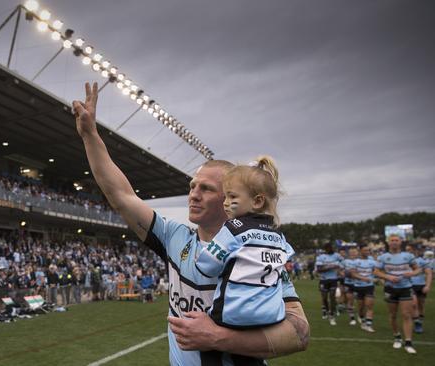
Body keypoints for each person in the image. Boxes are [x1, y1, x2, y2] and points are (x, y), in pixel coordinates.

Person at [72, 82, 309, 365]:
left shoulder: (256, 250)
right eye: (192, 186)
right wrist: (90, 136)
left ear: (230, 199)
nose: (193, 195)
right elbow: (121, 195)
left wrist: (218, 338)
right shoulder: (174, 237)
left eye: (206, 189)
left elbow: (299, 333)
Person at [195, 157, 294, 331]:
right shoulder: (278, 235)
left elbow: (206, 266)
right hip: (272, 315)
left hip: (233, 315)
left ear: (257, 201)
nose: (225, 202)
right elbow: (286, 261)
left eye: (232, 196)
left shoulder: (234, 228)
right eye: (225, 196)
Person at [374, 235, 421, 354]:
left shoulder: (408, 256)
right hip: (390, 289)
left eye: (396, 240)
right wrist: (387, 276)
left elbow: (418, 269)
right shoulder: (383, 257)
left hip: (406, 288)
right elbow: (376, 271)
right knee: (393, 315)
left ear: (400, 242)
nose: (394, 242)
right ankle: (397, 337)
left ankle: (408, 342)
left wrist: (411, 274)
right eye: (392, 241)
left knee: (406, 315)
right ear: (388, 243)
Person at [350, 245, 378, 332]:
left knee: (369, 305)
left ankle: (368, 324)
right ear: (360, 251)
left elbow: (377, 271)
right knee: (361, 307)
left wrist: (377, 277)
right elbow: (353, 274)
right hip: (358, 286)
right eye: (365, 250)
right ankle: (361, 317)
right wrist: (363, 278)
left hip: (369, 286)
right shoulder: (355, 262)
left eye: (368, 250)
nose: (367, 252)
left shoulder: (372, 262)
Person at [406, 244, 432, 334]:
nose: (408, 251)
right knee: (414, 304)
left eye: (409, 249)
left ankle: (419, 322)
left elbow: (429, 273)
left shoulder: (422, 261)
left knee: (421, 305)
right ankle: (417, 323)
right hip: (409, 285)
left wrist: (427, 285)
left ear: (414, 250)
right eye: (407, 250)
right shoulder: (404, 260)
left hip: (421, 285)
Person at [316, 243, 343, 325]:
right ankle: (327, 310)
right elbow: (319, 269)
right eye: (328, 248)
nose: (330, 249)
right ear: (325, 249)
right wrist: (332, 266)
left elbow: (342, 264)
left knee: (332, 297)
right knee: (324, 298)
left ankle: (332, 315)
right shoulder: (321, 257)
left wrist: (339, 268)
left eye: (331, 247)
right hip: (323, 280)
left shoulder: (337, 256)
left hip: (333, 279)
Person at [342, 247, 360, 325]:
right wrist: (346, 274)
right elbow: (340, 271)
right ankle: (352, 318)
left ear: (357, 253)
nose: (352, 253)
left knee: (360, 302)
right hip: (348, 283)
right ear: (348, 253)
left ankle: (360, 315)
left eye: (354, 252)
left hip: (359, 284)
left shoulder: (360, 261)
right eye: (351, 252)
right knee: (350, 300)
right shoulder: (345, 261)